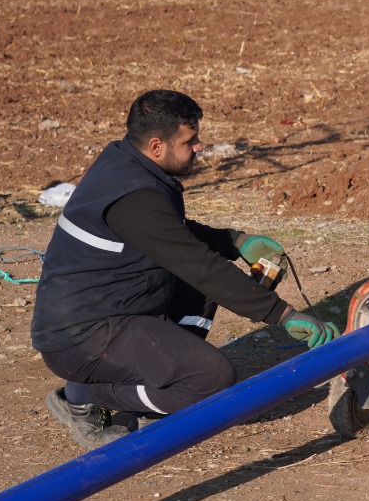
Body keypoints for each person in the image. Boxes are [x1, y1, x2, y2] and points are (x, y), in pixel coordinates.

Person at [31, 89, 337, 450]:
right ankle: (83, 395)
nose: (199, 147)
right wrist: (282, 315)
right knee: (211, 381)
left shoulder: (126, 162)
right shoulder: (134, 196)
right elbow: (198, 264)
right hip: (82, 337)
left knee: (201, 281)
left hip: (111, 308)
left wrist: (234, 241)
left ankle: (158, 392)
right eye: (190, 141)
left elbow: (170, 232)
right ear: (157, 146)